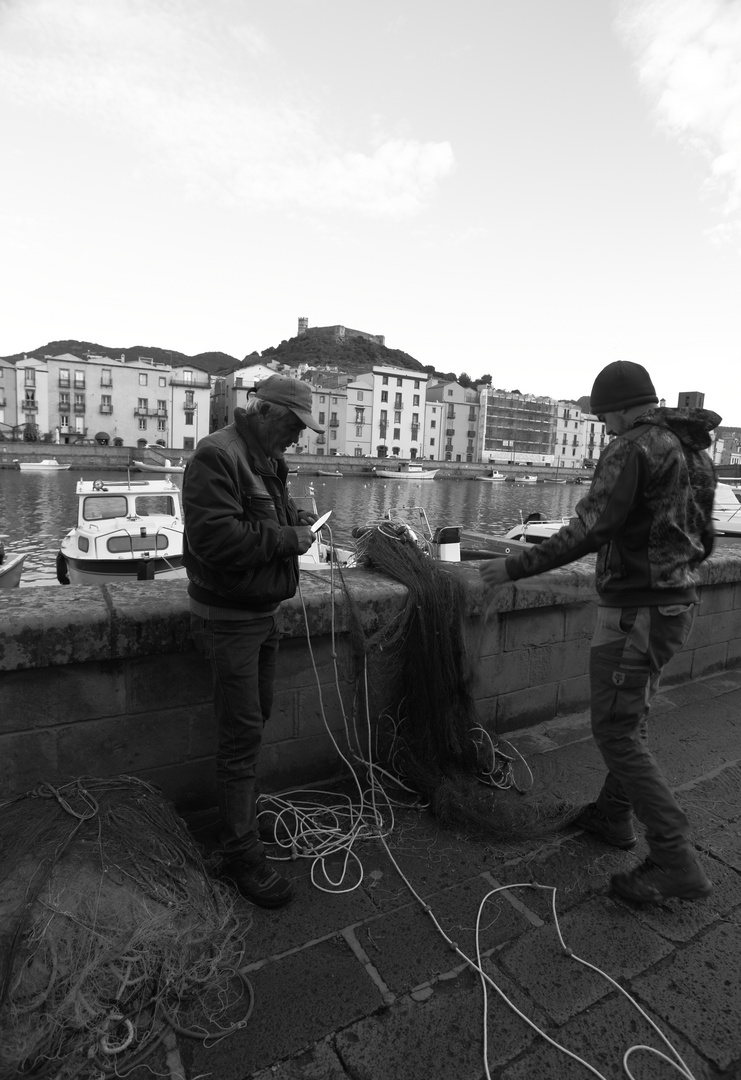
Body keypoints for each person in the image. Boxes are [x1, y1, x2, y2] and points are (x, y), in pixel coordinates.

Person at [480, 361, 720, 904]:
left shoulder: (632, 447)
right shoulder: (693, 448)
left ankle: (674, 859)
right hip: (675, 604)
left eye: (601, 415)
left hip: (636, 613)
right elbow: (704, 536)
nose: (602, 425)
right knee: (630, 719)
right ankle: (613, 816)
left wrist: (513, 567)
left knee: (616, 733)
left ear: (614, 407)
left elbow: (593, 525)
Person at [182, 375, 322, 908]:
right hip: (228, 619)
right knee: (241, 734)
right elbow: (213, 540)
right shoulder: (218, 455)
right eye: (292, 425)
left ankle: (241, 817)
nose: (297, 438)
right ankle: (241, 850)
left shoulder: (265, 457)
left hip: (259, 616)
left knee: (255, 717)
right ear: (265, 412)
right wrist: (288, 538)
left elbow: (262, 518)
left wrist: (297, 520)